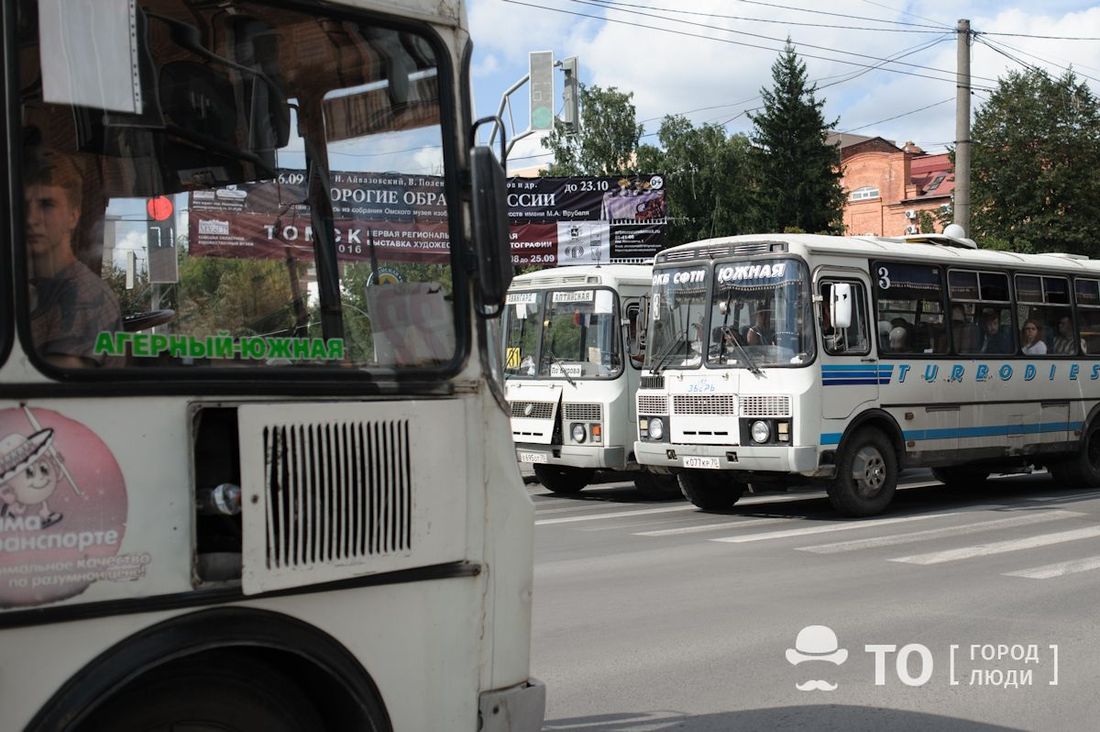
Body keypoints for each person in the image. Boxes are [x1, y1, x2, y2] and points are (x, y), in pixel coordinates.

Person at [25, 151, 122, 368]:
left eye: (46, 205)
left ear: (73, 216)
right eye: (23, 206)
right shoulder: (35, 286)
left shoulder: (85, 296)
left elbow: (53, 389)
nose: (31, 219)